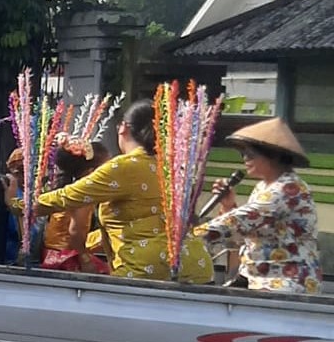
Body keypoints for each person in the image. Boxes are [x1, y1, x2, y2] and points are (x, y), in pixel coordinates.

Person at [34, 100, 213, 283]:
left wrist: (21, 206)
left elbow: (66, 198)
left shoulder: (123, 167)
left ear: (123, 128)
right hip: (197, 264)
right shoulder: (170, 168)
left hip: (147, 268)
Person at [194, 118, 322, 293]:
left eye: (251, 154)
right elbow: (244, 233)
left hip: (286, 281)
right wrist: (229, 205)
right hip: (258, 277)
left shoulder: (288, 188)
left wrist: (191, 235)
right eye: (243, 154)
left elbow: (240, 221)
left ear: (273, 156)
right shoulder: (263, 187)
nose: (245, 159)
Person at [39, 136, 109, 273]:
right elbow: (75, 232)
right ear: (91, 172)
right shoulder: (83, 194)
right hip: (66, 258)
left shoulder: (66, 188)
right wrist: (85, 260)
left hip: (51, 254)